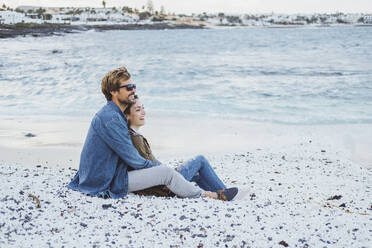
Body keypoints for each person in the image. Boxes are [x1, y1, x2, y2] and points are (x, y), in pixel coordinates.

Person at [68, 66, 237, 201]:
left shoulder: (114, 115)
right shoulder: (110, 119)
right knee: (166, 174)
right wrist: (160, 170)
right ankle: (209, 196)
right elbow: (134, 159)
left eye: (133, 86)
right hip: (106, 181)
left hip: (109, 174)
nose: (133, 90)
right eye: (128, 87)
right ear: (113, 91)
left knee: (169, 172)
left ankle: (222, 192)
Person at [124, 95, 238, 201]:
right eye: (138, 110)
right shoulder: (135, 139)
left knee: (197, 175)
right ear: (127, 115)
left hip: (161, 182)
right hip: (163, 187)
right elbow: (146, 168)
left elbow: (149, 165)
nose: (143, 112)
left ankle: (222, 194)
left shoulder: (132, 136)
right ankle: (225, 194)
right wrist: (171, 174)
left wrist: (169, 170)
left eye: (143, 108)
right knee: (200, 160)